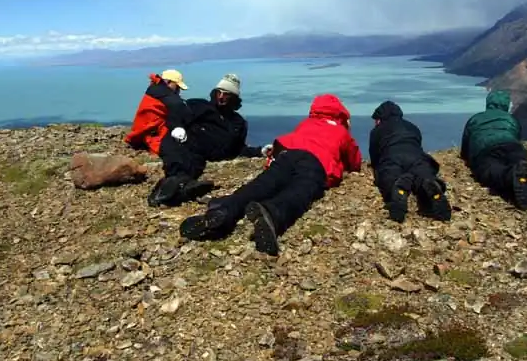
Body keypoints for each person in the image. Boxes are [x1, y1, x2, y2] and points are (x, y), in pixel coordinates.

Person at [179, 94, 362, 256]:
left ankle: (224, 209)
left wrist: (270, 162)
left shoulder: (306, 123)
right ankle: (272, 213)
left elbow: (289, 141)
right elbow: (354, 161)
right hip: (315, 163)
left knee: (260, 186)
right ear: (340, 113)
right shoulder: (340, 131)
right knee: (299, 191)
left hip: (287, 155)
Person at [147, 74, 272, 207]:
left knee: (192, 168)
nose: (221, 97)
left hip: (201, 155)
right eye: (219, 92)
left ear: (234, 98)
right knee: (178, 162)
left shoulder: (237, 124)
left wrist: (260, 151)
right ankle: (175, 189)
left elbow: (237, 149)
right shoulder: (198, 105)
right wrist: (177, 127)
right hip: (182, 143)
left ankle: (173, 191)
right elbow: (176, 114)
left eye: (227, 94)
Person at [122, 69, 214, 207]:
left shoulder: (157, 90)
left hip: (151, 129)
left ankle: (181, 184)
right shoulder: (165, 95)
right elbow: (182, 110)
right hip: (152, 133)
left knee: (185, 148)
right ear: (169, 82)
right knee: (176, 152)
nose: (178, 91)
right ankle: (171, 188)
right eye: (177, 87)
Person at [460, 90, 527, 211]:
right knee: (519, 163)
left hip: (487, 149)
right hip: (513, 146)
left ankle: (511, 175)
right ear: (506, 105)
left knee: (491, 170)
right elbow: (517, 138)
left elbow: (465, 148)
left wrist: (469, 158)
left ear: (488, 103)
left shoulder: (475, 119)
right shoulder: (511, 119)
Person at [369, 100, 451, 223]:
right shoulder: (412, 126)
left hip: (392, 156)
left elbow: (374, 156)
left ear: (380, 118)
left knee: (390, 176)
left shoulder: (378, 130)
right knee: (423, 173)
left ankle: (397, 190)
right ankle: (430, 185)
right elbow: (418, 144)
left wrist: (377, 167)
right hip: (416, 156)